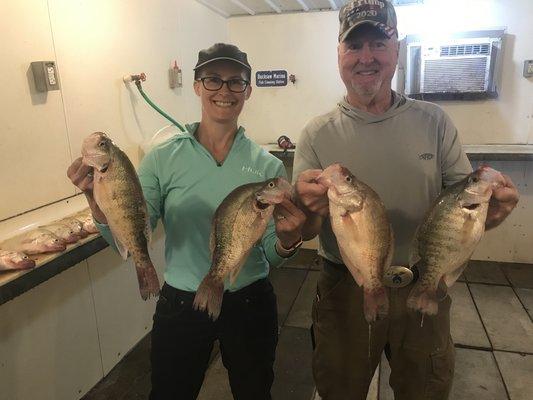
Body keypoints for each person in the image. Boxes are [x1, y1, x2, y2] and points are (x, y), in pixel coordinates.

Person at [293, 1, 520, 399]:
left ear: (397, 49)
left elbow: (464, 211)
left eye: (378, 43)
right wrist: (305, 214)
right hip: (345, 287)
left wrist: (494, 212)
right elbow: (306, 226)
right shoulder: (315, 134)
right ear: (339, 55)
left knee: (424, 390)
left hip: (422, 280)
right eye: (354, 45)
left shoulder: (434, 122)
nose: (367, 58)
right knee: (339, 389)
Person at [67, 43, 306, 400]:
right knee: (169, 392)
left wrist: (288, 242)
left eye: (235, 82)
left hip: (250, 300)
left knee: (255, 391)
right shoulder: (162, 159)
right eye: (212, 79)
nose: (224, 90)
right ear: (196, 86)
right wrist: (95, 198)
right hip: (182, 300)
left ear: (248, 91)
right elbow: (134, 225)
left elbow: (270, 252)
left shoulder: (267, 166)